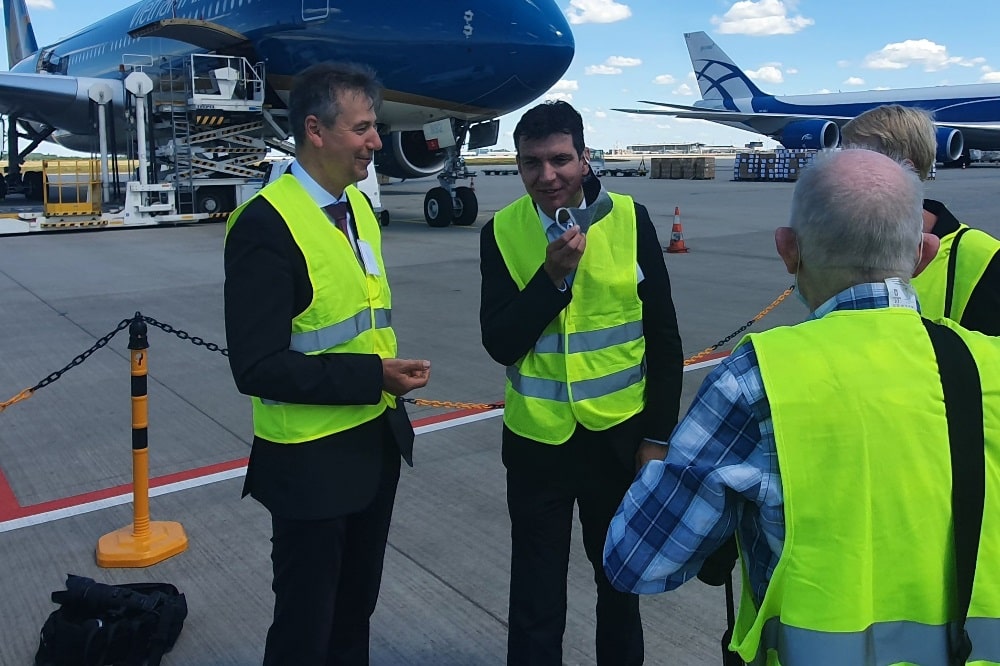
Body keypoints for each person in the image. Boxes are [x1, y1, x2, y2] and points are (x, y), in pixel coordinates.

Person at [603, 148, 1000, 665]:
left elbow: (637, 558)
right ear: (924, 254)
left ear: (788, 250)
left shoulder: (758, 379)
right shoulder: (987, 364)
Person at [223, 62, 431, 665]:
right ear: (315, 130)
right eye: (363, 128)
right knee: (306, 627)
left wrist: (382, 384)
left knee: (354, 612)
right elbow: (256, 366)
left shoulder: (360, 210)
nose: (376, 141)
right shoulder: (264, 224)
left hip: (373, 447)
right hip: (309, 465)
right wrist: (374, 377)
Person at [479, 100, 684, 665]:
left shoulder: (631, 219)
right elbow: (499, 341)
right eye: (531, 163)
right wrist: (551, 278)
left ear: (585, 157)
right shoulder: (500, 232)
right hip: (536, 444)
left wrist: (658, 436)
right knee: (536, 598)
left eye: (560, 159)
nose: (547, 176)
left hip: (616, 441)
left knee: (619, 587)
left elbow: (663, 336)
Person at [842, 104, 1000, 334]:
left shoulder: (984, 259)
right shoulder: (840, 242)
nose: (838, 171)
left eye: (855, 161)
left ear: (903, 170)